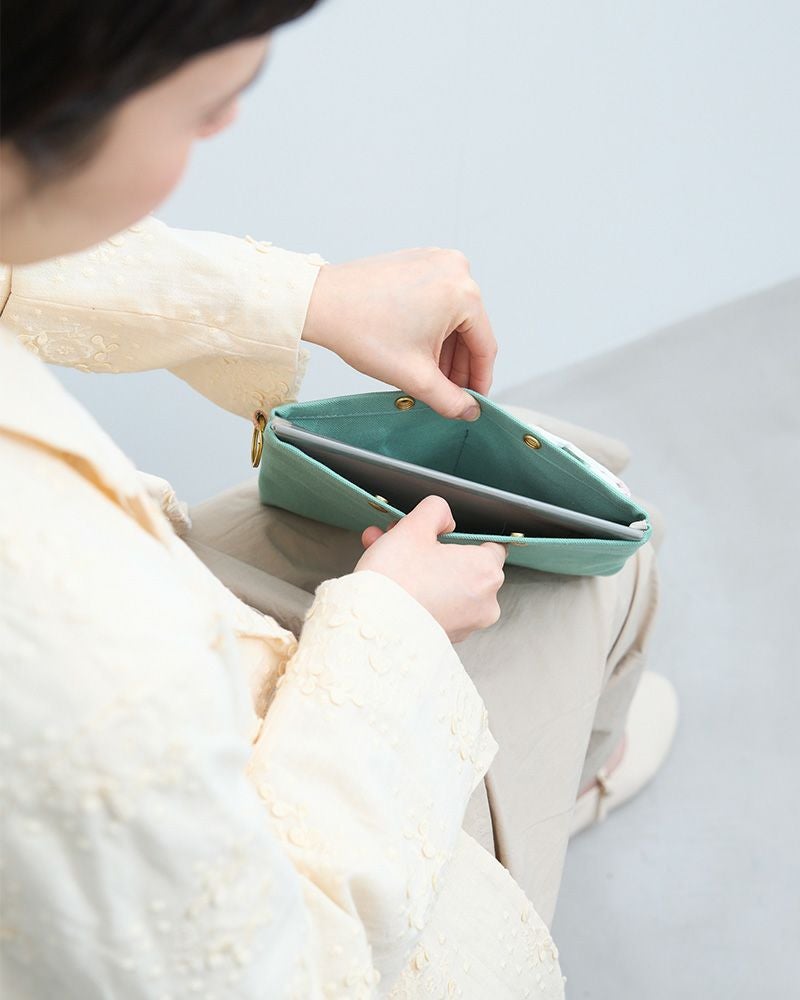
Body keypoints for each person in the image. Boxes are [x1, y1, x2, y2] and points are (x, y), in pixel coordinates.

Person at [0, 2, 677, 997]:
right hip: (293, 901)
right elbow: (274, 971)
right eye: (204, 100)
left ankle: (527, 795)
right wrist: (393, 627)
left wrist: (305, 297)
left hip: (175, 638)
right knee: (605, 577)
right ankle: (549, 803)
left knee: (554, 474)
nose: (228, 119)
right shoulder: (64, 656)